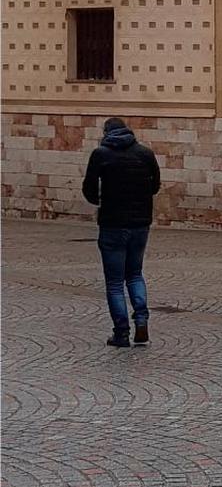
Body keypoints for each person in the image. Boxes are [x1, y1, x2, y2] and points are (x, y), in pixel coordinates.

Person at [82, 118, 161, 348]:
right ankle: (142, 320)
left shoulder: (101, 154)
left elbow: (89, 187)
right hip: (140, 224)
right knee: (135, 274)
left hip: (112, 224)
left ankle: (121, 332)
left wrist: (99, 201)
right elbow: (155, 185)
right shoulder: (145, 154)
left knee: (115, 282)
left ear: (106, 132)